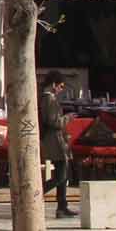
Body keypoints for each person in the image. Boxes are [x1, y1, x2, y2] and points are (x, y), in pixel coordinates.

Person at [40, 73, 75, 218]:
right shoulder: (48, 99)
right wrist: (68, 118)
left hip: (58, 140)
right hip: (54, 140)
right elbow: (53, 121)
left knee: (64, 174)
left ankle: (62, 207)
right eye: (61, 86)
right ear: (54, 84)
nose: (61, 89)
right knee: (61, 175)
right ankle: (37, 192)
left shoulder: (50, 98)